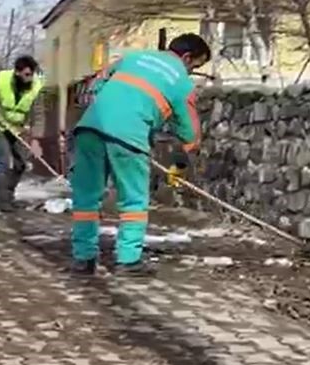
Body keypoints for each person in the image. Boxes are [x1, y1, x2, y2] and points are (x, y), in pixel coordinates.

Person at [69, 33, 209, 276]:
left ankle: (83, 259)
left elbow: (96, 83)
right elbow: (189, 130)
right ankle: (128, 260)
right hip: (129, 137)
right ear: (187, 57)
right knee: (133, 200)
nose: (192, 72)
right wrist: (187, 153)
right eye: (195, 66)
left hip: (89, 128)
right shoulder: (181, 82)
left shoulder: (133, 58)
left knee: (86, 199)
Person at [0, 55, 44, 212]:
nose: (30, 78)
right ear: (17, 72)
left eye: (32, 74)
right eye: (26, 75)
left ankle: (9, 193)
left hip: (18, 128)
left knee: (20, 164)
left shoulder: (36, 86)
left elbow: (39, 113)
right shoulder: (1, 79)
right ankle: (4, 201)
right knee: (4, 161)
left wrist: (35, 139)